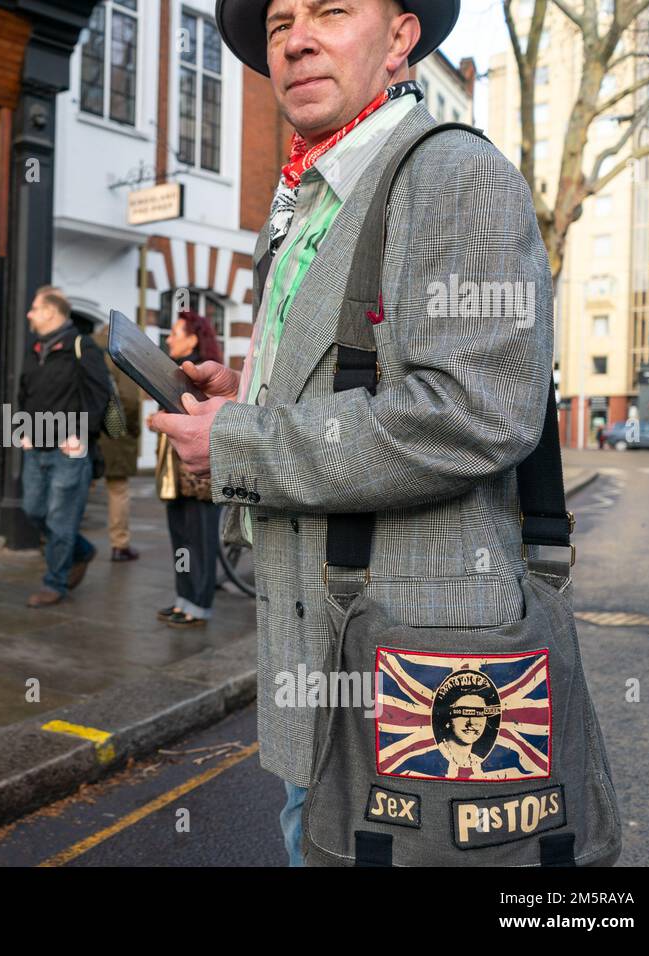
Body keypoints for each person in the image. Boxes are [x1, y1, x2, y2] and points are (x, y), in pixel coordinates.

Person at [154, 0, 555, 864]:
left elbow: (479, 409)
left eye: (331, 9)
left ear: (401, 39)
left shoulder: (454, 177)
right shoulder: (311, 198)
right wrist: (245, 397)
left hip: (416, 676)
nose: (295, 37)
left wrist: (242, 444)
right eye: (279, 22)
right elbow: (354, 382)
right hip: (320, 671)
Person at [18, 286, 111, 607]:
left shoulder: (81, 346)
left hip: (69, 451)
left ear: (51, 312)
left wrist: (80, 435)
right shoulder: (35, 350)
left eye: (34, 308)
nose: (29, 314)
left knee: (60, 519)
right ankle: (82, 550)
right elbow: (26, 393)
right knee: (33, 510)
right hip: (35, 447)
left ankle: (54, 584)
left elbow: (101, 396)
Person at [148, 311, 224, 628]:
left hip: (198, 475)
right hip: (177, 472)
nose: (169, 338)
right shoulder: (176, 371)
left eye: (175, 332)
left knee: (199, 540)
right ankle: (184, 599)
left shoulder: (198, 373)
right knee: (181, 536)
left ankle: (199, 605)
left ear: (193, 338)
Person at [92, 322, 144, 562]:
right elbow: (130, 399)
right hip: (114, 429)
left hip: (85, 427)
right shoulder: (120, 352)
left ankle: (64, 542)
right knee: (118, 488)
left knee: (78, 485)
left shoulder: (86, 350)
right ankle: (119, 544)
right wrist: (133, 429)